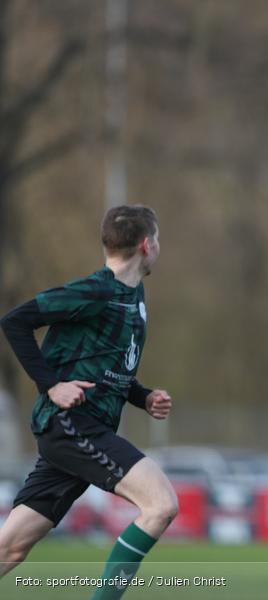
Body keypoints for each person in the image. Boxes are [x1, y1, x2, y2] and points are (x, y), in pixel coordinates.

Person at [0, 205, 177, 600]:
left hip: (81, 431)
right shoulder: (97, 290)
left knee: (10, 548)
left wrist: (142, 396)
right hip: (72, 425)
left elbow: (110, 368)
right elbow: (15, 321)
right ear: (147, 245)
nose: (160, 247)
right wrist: (51, 387)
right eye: (159, 240)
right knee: (161, 504)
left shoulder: (133, 294)